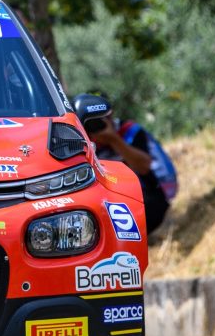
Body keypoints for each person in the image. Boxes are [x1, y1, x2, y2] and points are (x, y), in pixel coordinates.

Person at [73, 94, 172, 234]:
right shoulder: (82, 146)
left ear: (110, 114)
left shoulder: (130, 132)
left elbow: (144, 167)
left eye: (102, 118)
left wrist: (114, 140)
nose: (98, 125)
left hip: (149, 200)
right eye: (91, 123)